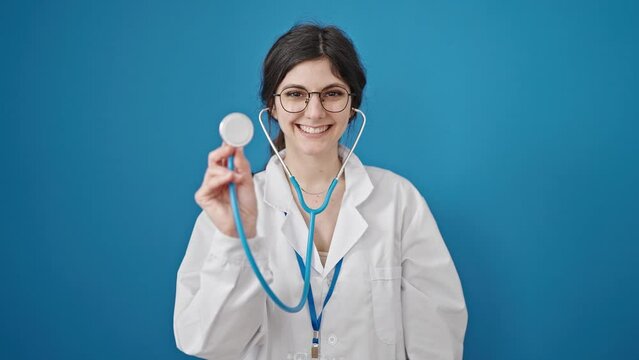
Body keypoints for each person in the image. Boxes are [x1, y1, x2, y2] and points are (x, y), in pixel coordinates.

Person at [173, 23, 467, 360]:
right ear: (272, 105)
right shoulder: (233, 208)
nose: (315, 112)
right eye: (296, 94)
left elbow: (438, 343)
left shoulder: (398, 200)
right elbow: (207, 342)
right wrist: (234, 239)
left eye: (332, 93)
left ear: (352, 103)